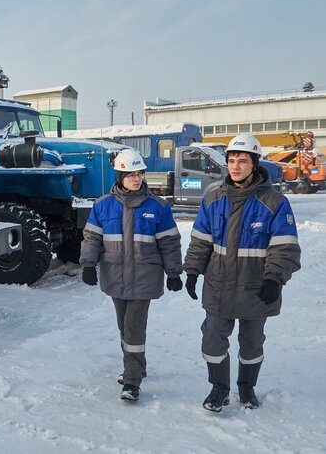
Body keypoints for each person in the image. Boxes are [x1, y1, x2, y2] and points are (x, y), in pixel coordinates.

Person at [184, 133, 301, 413]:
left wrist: (275, 278)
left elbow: (285, 247)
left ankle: (247, 388)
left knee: (251, 343)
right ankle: (219, 389)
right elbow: (201, 239)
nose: (235, 166)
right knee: (212, 338)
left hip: (256, 286)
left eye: (242, 161)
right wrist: (191, 270)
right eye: (232, 160)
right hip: (219, 284)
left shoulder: (274, 202)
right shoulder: (213, 196)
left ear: (255, 163)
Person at [79, 148, 184, 402]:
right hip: (115, 275)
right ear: (119, 176)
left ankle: (132, 380)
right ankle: (136, 365)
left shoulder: (157, 206)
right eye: (130, 175)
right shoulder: (103, 205)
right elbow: (92, 238)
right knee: (124, 327)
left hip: (144, 277)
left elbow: (170, 242)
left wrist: (174, 272)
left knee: (134, 328)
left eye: (139, 174)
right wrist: (88, 265)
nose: (136, 179)